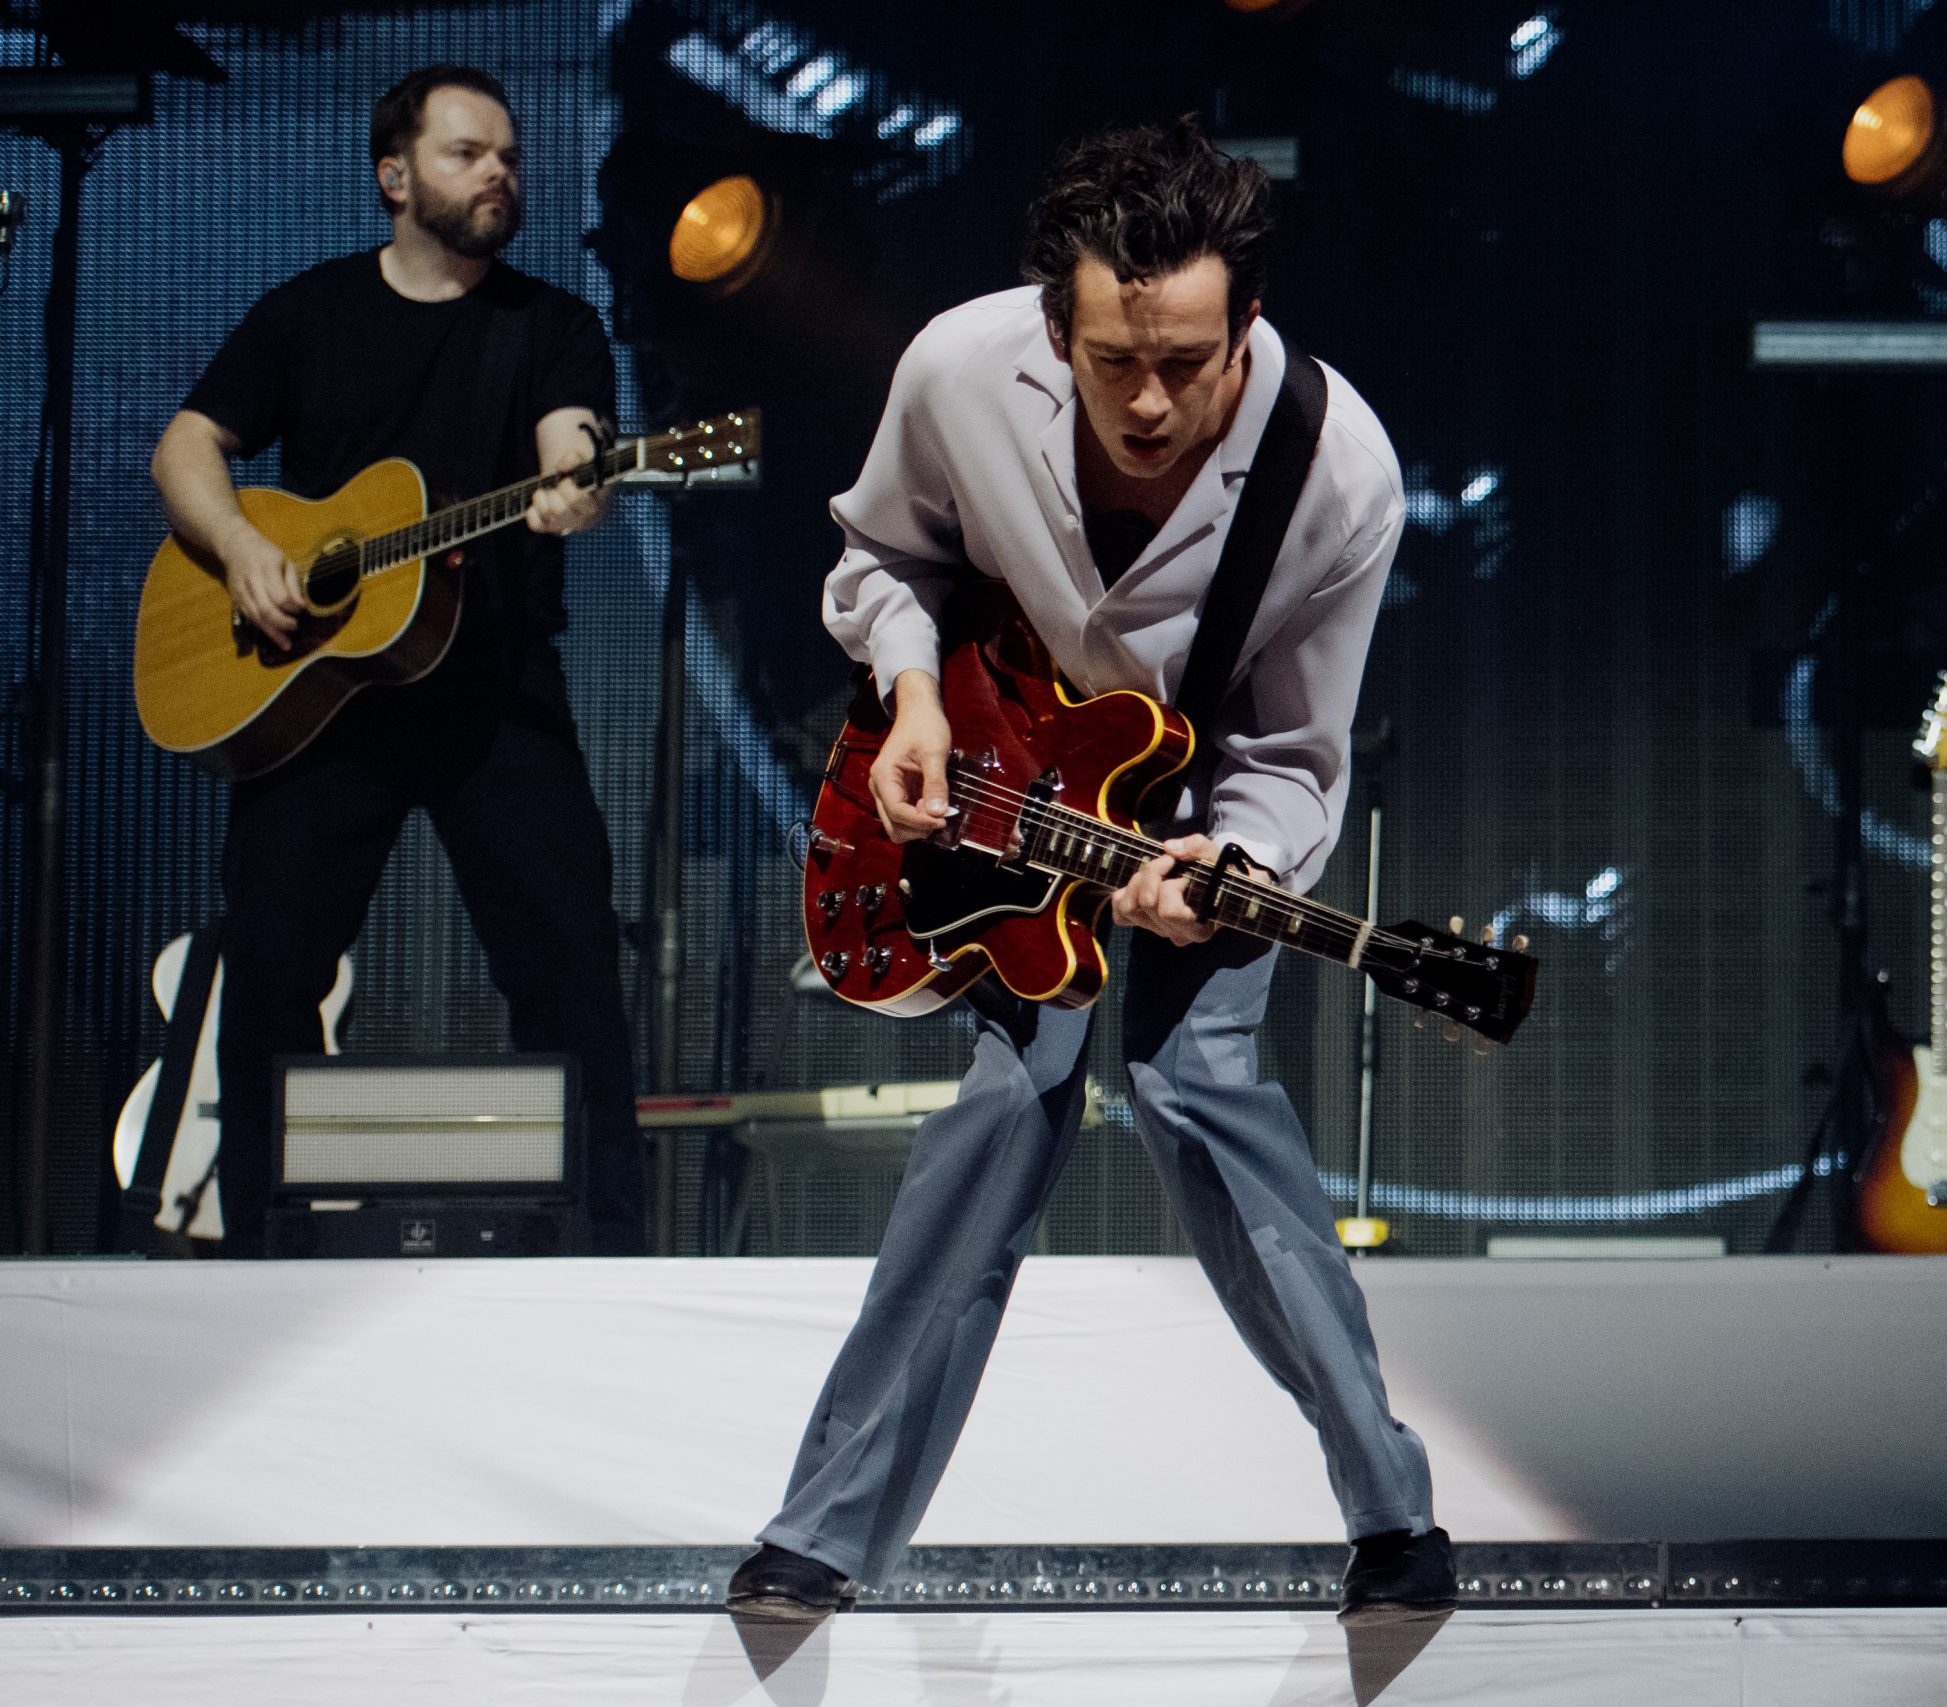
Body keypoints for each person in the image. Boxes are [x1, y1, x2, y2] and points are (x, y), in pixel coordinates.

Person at [725, 119, 1451, 1625]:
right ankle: (821, 1534)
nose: (1150, 399)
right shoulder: (956, 369)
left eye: (1187, 361)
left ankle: (1393, 1519)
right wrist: (912, 696)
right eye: (1116, 360)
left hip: (1199, 807)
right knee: (1007, 1104)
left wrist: (1225, 862)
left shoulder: (1340, 475)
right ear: (1056, 328)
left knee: (1199, 1090)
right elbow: (881, 558)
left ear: (1245, 322)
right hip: (997, 764)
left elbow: (1293, 751)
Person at [149, 65, 646, 1256]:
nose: (499, 173)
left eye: (510, 157)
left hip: (494, 696)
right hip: (320, 698)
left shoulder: (552, 327)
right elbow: (185, 446)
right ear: (394, 176)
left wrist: (579, 483)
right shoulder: (309, 314)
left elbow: (573, 442)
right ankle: (263, 1250)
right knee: (270, 967)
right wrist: (244, 551)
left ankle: (606, 1252)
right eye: (468, 153)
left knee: (570, 961)